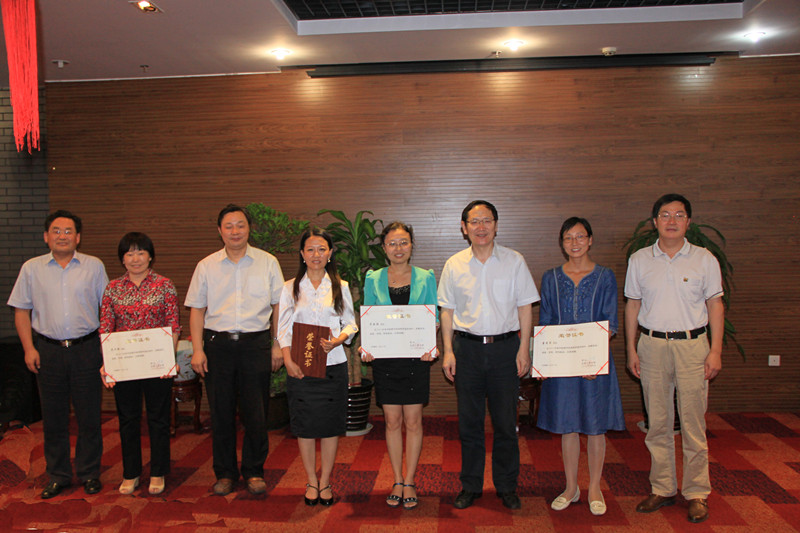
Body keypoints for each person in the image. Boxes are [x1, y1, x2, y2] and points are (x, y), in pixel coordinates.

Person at [624, 193, 724, 524]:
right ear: (655, 222)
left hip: (693, 346)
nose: (671, 221)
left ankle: (696, 492)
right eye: (665, 215)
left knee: (693, 423)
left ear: (688, 222)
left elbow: (715, 305)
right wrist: (631, 349)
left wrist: (715, 350)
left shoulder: (704, 259)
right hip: (652, 345)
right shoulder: (640, 259)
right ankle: (663, 487)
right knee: (658, 422)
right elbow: (633, 305)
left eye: (679, 215)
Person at [438, 200, 539, 510]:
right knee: (469, 423)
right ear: (464, 227)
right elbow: (446, 310)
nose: (481, 227)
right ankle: (471, 485)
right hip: (466, 349)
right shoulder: (454, 264)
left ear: (496, 225)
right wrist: (448, 351)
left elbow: (525, 307)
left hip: (505, 349)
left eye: (487, 221)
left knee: (506, 423)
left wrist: (524, 349)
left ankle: (507, 486)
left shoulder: (514, 261)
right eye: (474, 221)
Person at [7, 210, 108, 499]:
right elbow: (21, 311)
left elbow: (108, 309)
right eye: (56, 231)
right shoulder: (31, 268)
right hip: (48, 351)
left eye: (68, 231)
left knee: (89, 416)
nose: (62, 236)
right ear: (46, 236)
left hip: (87, 349)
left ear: (78, 237)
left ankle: (89, 473)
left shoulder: (94, 266)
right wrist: (29, 348)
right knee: (53, 418)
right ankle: (58, 475)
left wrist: (107, 351)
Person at [185, 204, 285, 496]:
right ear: (220, 231)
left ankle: (254, 471)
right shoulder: (206, 266)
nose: (235, 231)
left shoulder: (268, 262)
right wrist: (197, 349)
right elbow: (197, 310)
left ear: (248, 228)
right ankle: (225, 472)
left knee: (256, 412)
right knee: (221, 412)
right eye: (228, 226)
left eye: (240, 225)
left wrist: (278, 343)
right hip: (218, 346)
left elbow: (280, 306)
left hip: (256, 344)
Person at [536, 217, 626, 516]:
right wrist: (546, 361)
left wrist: (595, 359)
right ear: (562, 243)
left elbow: (610, 321)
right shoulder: (550, 277)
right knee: (568, 426)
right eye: (568, 238)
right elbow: (547, 320)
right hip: (562, 363)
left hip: (593, 363)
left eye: (580, 237)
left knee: (595, 426)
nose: (574, 243)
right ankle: (571, 487)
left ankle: (595, 487)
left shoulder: (605, 276)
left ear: (590, 240)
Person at [360, 221, 438, 510]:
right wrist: (367, 346)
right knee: (392, 421)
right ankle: (396, 479)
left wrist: (431, 345)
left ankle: (410, 480)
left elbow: (433, 316)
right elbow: (369, 317)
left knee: (413, 421)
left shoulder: (426, 277)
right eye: (392, 243)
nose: (398, 248)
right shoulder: (373, 278)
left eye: (404, 242)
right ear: (384, 248)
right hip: (386, 359)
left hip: (416, 358)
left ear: (412, 245)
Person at [278, 228, 358, 507]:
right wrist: (287, 360)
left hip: (333, 365)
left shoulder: (340, 286)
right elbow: (283, 329)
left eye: (322, 249)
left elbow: (351, 324)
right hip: (300, 367)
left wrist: (338, 340)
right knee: (305, 426)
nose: (316, 255)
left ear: (330, 253)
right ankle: (311, 480)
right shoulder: (290, 287)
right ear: (302, 254)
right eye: (310, 249)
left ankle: (326, 481)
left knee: (330, 426)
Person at [98, 232, 181, 495]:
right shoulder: (112, 288)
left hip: (156, 364)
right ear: (122, 259)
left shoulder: (164, 285)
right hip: (125, 365)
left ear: (150, 256)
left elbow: (173, 325)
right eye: (129, 253)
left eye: (141, 252)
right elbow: (105, 328)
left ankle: (158, 471)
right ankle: (131, 472)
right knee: (128, 420)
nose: (135, 258)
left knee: (158, 419)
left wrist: (169, 360)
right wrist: (107, 363)